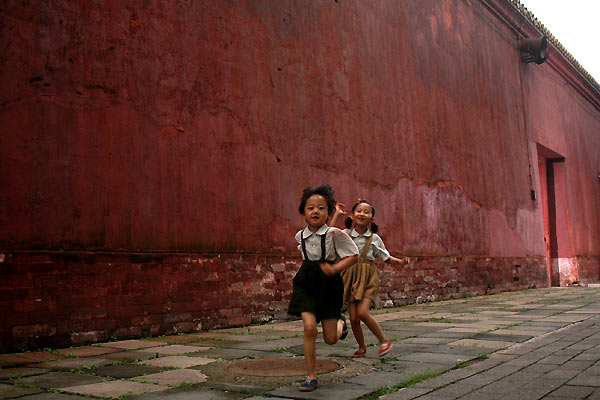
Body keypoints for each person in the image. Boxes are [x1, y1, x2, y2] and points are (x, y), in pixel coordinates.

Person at [288, 184, 359, 392]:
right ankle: (311, 376)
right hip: (306, 285)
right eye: (311, 208)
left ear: (328, 212)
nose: (315, 211)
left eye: (321, 208)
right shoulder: (299, 236)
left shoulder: (335, 234)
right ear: (303, 212)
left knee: (330, 339)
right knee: (309, 328)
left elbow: (353, 256)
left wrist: (335, 268)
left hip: (329, 285)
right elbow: (306, 257)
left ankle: (340, 323)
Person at [330, 199, 408, 358]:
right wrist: (337, 214)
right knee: (353, 318)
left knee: (363, 313)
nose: (362, 214)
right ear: (352, 215)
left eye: (367, 212)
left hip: (367, 279)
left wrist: (400, 262)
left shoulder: (374, 239)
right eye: (359, 211)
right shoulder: (345, 235)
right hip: (350, 278)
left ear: (372, 219)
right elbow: (328, 233)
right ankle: (362, 346)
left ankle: (384, 341)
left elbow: (385, 257)